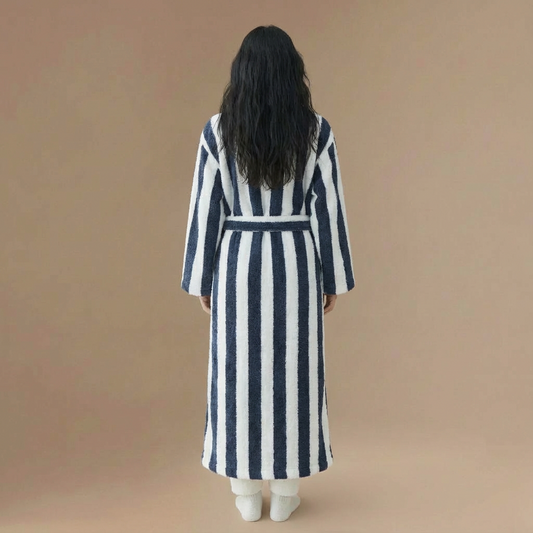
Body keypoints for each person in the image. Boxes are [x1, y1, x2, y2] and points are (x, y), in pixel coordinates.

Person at [181, 25, 355, 522]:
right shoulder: (316, 131)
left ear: (242, 74)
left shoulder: (218, 131)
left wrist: (202, 278)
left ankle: (244, 493)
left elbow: (206, 208)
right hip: (295, 261)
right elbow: (328, 208)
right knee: (294, 373)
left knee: (236, 374)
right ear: (292, 74)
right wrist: (332, 277)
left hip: (237, 261)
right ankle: (285, 492)